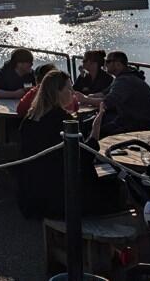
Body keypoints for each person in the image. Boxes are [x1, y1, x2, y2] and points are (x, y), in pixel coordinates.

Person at [17, 70, 114, 219]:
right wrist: (95, 131)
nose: (73, 93)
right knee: (115, 186)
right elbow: (82, 160)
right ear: (57, 92)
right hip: (60, 199)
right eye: (69, 89)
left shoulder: (29, 119)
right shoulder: (64, 121)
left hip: (32, 195)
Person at [99, 51, 150, 138]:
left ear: (118, 64)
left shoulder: (125, 80)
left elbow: (108, 102)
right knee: (101, 124)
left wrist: (85, 100)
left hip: (142, 124)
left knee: (100, 132)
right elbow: (104, 93)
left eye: (108, 62)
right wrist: (86, 96)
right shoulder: (123, 77)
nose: (105, 65)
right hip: (132, 119)